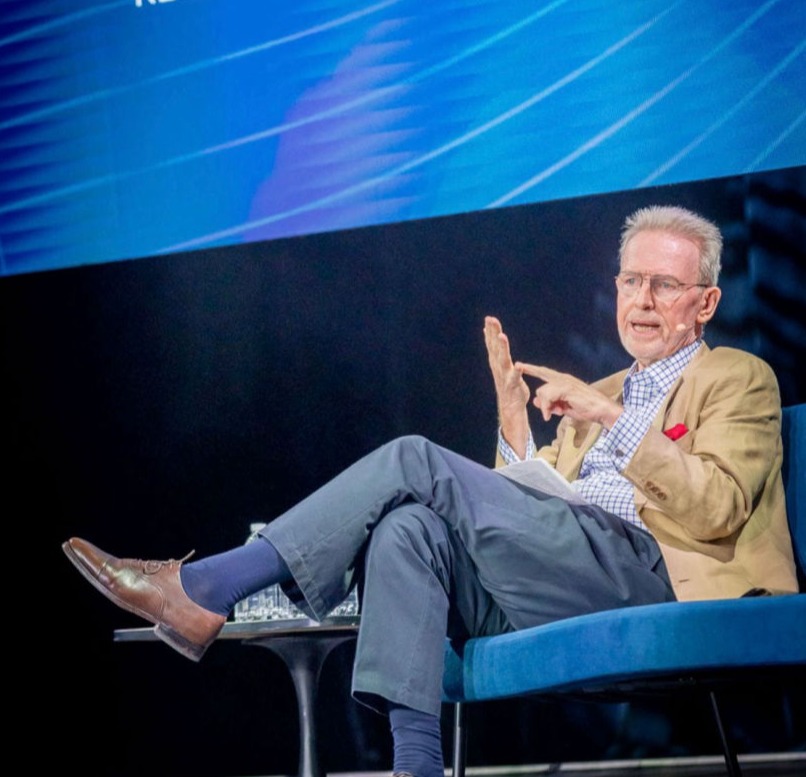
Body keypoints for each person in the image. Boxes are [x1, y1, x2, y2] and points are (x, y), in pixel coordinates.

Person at [63, 205, 798, 777]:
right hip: (570, 575)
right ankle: (417, 764)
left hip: (656, 576)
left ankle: (207, 585)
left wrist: (612, 419)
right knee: (409, 526)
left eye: (663, 285)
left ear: (703, 303)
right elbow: (530, 513)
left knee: (414, 458)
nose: (641, 300)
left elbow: (717, 506)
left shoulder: (736, 378)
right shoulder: (596, 391)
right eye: (630, 282)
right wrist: (514, 427)